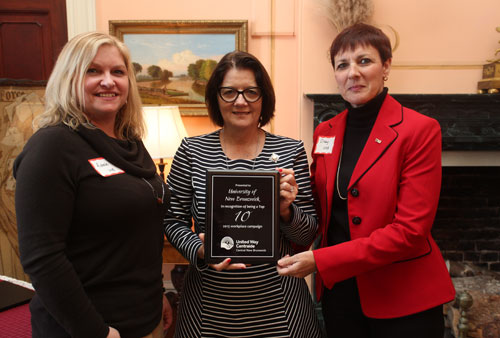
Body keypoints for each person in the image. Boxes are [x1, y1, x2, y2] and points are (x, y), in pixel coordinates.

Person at [277, 23, 456, 338]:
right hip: (340, 294)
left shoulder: (419, 130)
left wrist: (320, 259)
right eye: (342, 65)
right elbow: (321, 209)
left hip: (404, 298)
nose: (352, 73)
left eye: (364, 61)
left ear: (386, 66)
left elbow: (410, 233)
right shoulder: (325, 132)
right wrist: (288, 203)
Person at [14, 32, 172, 338]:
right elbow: (42, 258)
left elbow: (138, 236)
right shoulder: (51, 147)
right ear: (69, 78)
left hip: (145, 319)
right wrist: (95, 331)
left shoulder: (129, 141)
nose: (108, 81)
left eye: (118, 72)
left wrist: (156, 294)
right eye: (93, 71)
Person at [164, 51, 321, 337]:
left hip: (281, 309)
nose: (240, 101)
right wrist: (201, 249)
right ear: (215, 97)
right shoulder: (191, 151)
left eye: (251, 92)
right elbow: (172, 220)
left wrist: (286, 210)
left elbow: (306, 234)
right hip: (208, 308)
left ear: (263, 98)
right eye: (229, 92)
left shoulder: (290, 151)